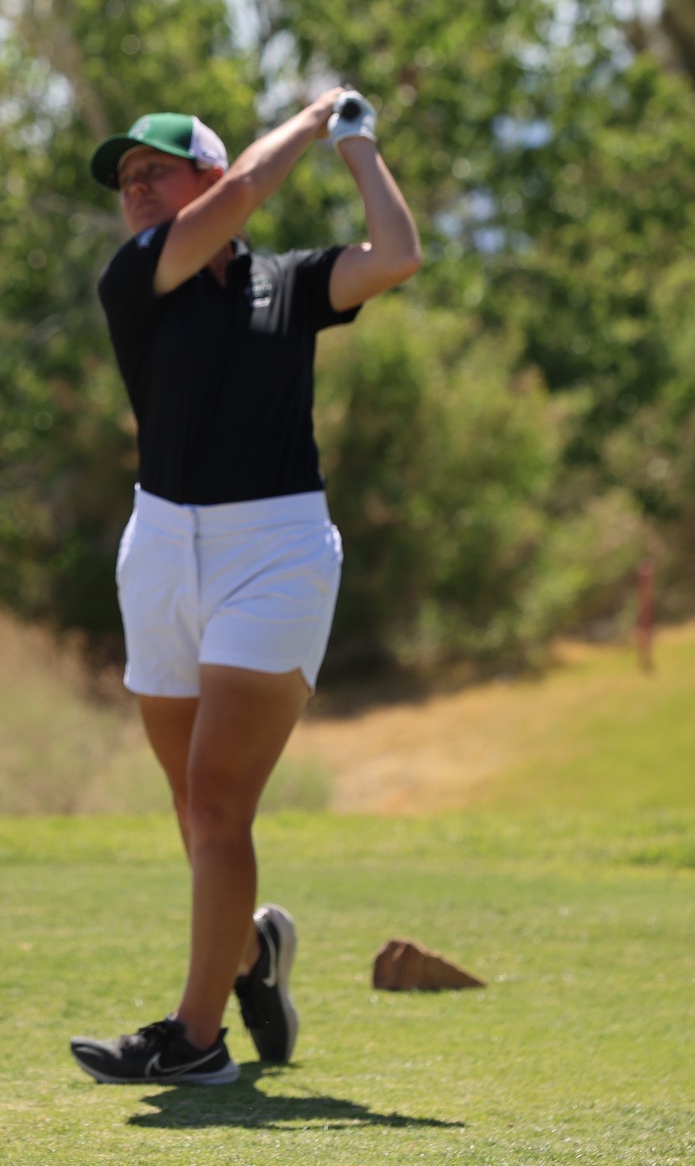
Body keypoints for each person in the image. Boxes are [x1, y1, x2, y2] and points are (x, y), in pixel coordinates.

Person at [68, 90, 422, 1084]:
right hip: (160, 548)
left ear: (208, 174)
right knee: (195, 813)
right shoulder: (136, 276)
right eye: (125, 181)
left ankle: (193, 1040)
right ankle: (252, 957)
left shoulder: (283, 285)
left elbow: (393, 256)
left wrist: (350, 139)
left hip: (274, 549)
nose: (134, 192)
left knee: (219, 799)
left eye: (153, 173)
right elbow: (237, 204)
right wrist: (300, 128)